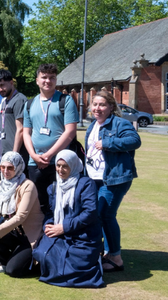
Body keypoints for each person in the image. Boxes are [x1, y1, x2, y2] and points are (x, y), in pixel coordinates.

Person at [86, 91, 141, 272]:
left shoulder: (120, 123)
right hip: (94, 178)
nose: (97, 108)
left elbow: (134, 140)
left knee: (106, 214)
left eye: (102, 105)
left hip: (114, 179)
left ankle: (115, 257)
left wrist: (108, 143)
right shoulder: (92, 126)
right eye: (95, 105)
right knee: (98, 215)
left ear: (111, 107)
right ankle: (106, 252)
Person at [32, 150, 104, 288]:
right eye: (58, 165)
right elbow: (50, 213)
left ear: (74, 165)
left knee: (76, 260)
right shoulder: (53, 187)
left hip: (83, 235)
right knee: (42, 252)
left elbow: (90, 213)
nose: (60, 170)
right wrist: (49, 225)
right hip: (60, 232)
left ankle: (95, 263)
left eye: (65, 166)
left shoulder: (86, 184)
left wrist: (64, 227)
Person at [23, 64, 78, 219]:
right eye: (44, 77)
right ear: (37, 80)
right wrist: (34, 156)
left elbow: (70, 131)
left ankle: (59, 239)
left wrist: (48, 155)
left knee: (61, 204)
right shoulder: (29, 104)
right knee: (38, 204)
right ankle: (41, 239)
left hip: (59, 163)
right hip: (35, 164)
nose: (48, 81)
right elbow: (26, 133)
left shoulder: (65, 101)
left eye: (52, 77)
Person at [0, 152, 43, 277]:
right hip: (11, 232)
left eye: (10, 168)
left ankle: (27, 263)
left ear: (18, 167)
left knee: (13, 271)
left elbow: (20, 217)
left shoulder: (27, 186)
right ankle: (3, 260)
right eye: (2, 167)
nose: (5, 171)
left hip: (27, 236)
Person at [0, 69, 29, 170]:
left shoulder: (19, 99)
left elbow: (20, 129)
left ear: (11, 83)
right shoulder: (5, 101)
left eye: (2, 85)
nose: (0, 89)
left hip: (18, 155)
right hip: (7, 154)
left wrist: (14, 155)